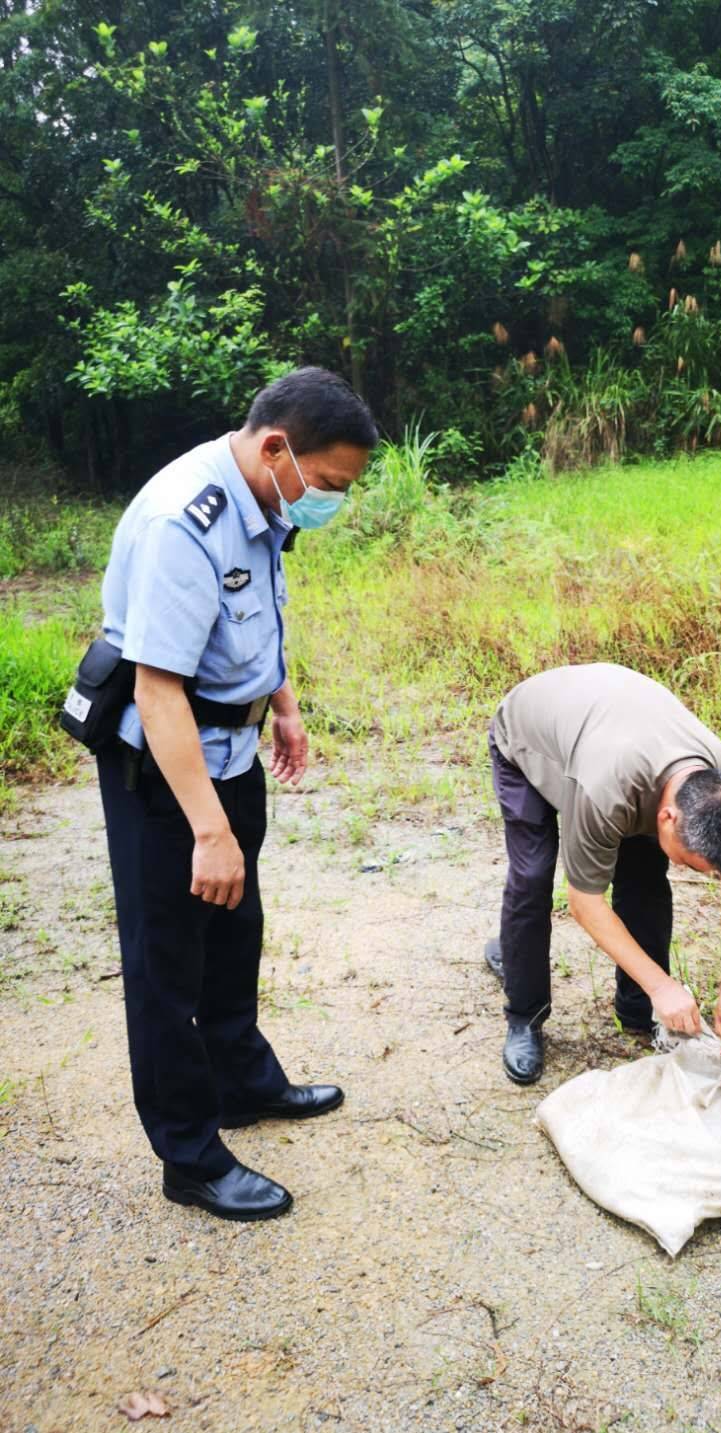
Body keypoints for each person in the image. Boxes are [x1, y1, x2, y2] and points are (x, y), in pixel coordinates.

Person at [95, 366, 376, 1220]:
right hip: (165, 774)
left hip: (234, 747)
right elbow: (158, 690)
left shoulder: (264, 498)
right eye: (327, 484)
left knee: (234, 931)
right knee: (167, 964)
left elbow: (257, 620)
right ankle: (190, 1155)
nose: (329, 502)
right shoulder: (185, 521)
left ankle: (243, 1082)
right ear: (277, 446)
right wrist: (207, 831)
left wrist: (281, 706)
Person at [484, 663, 721, 1084]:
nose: (693, 872)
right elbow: (585, 903)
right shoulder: (604, 789)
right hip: (529, 739)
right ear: (668, 817)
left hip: (606, 726)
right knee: (533, 876)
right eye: (692, 864)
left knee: (646, 879)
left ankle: (637, 1009)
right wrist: (663, 985)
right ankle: (525, 1014)